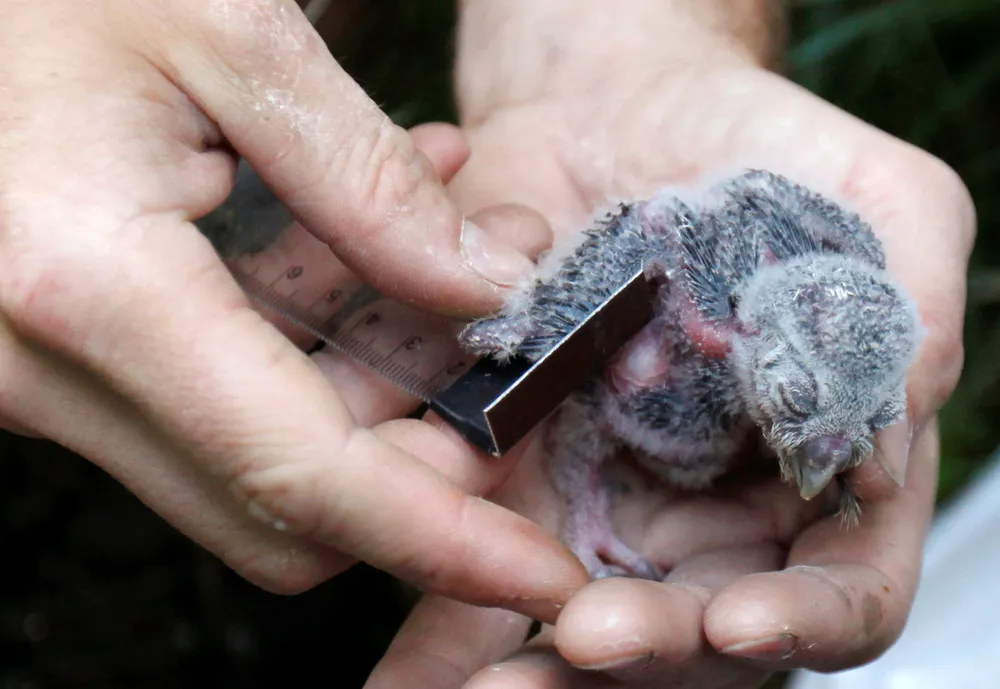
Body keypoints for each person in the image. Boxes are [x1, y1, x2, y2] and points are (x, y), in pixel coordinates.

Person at [0, 1, 973, 688]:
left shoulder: (775, 287)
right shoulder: (700, 262)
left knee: (337, 526)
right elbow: (657, 248)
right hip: (135, 194)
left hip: (213, 218)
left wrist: (624, 47)